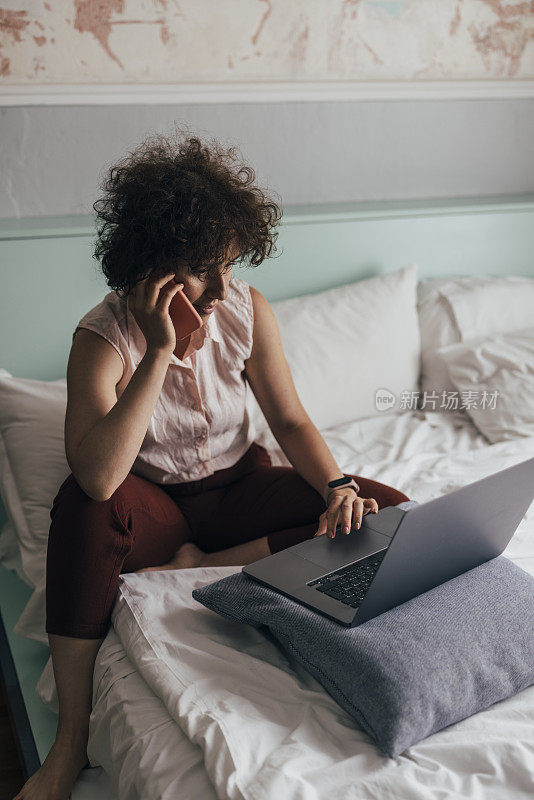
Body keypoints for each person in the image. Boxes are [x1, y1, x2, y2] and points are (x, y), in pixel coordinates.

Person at [13, 128, 409, 800]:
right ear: (152, 265)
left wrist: (338, 484)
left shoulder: (247, 310)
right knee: (83, 509)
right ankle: (68, 744)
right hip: (156, 507)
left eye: (232, 265)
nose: (224, 289)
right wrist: (160, 348)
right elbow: (102, 478)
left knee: (388, 512)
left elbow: (289, 421)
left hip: (238, 488)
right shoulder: (102, 337)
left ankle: (210, 564)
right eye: (207, 270)